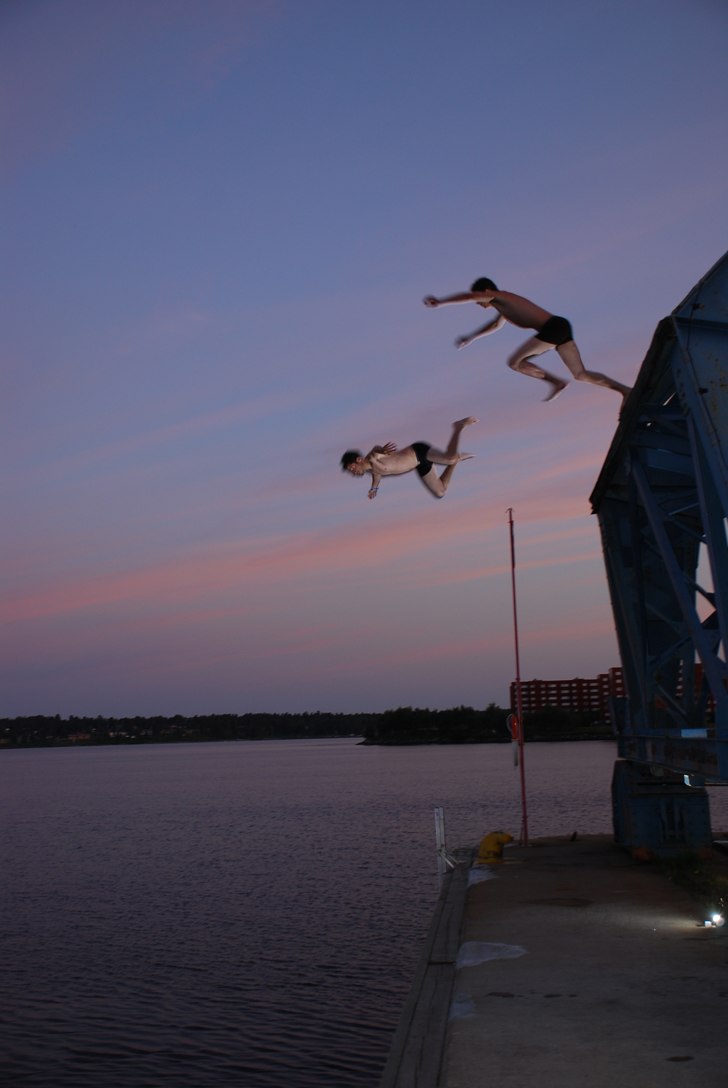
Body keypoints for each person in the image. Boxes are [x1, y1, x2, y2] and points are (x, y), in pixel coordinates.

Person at [423, 278, 631, 403]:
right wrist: (471, 338)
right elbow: (495, 326)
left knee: (514, 362)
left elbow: (469, 297)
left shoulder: (498, 295)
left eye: (479, 299)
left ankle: (556, 382)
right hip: (559, 327)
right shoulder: (502, 305)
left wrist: (441, 302)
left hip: (552, 329)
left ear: (485, 292)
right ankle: (625, 391)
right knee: (581, 374)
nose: (477, 303)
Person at [340, 417, 477, 500]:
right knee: (440, 492)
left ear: (358, 459)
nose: (353, 471)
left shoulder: (372, 457)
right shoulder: (372, 470)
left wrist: (381, 450)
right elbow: (377, 475)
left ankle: (458, 427)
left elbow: (376, 450)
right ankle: (456, 459)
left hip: (418, 452)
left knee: (449, 458)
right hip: (419, 465)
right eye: (350, 471)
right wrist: (374, 489)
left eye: (352, 467)